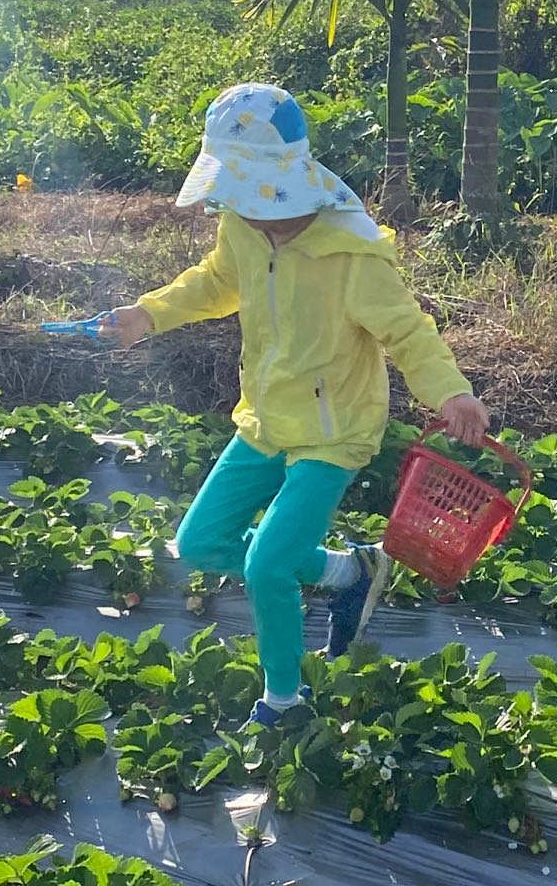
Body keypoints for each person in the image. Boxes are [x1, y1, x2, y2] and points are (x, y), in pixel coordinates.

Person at [99, 82, 491, 724]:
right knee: (200, 542)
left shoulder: (350, 252)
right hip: (265, 414)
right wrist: (149, 314)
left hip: (334, 433)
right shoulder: (244, 228)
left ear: (282, 181)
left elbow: (408, 331)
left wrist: (453, 394)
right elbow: (218, 282)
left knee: (270, 565)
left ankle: (285, 698)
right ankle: (347, 574)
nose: (237, 207)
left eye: (244, 192)